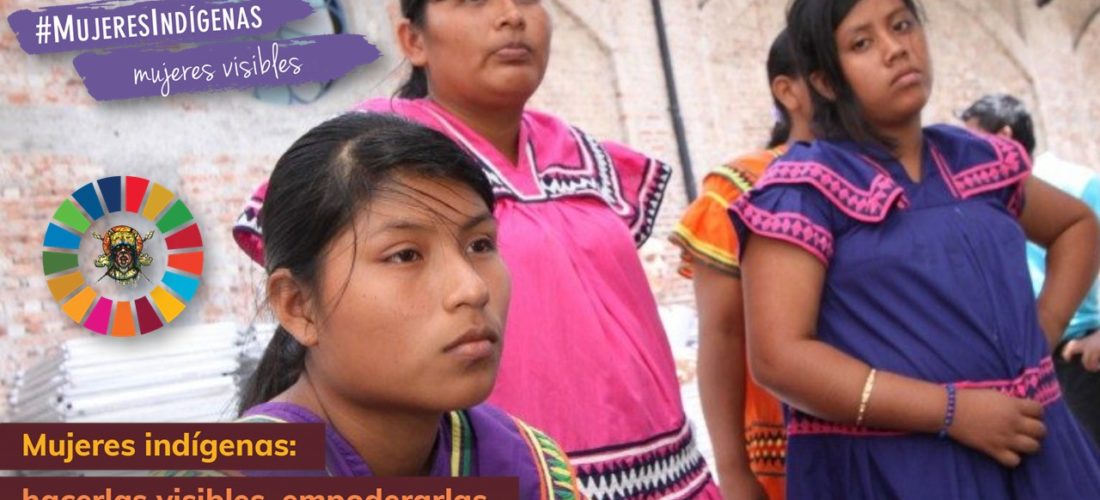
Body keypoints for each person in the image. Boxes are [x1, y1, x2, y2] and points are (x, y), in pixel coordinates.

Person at [233, 1, 717, 498]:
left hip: (644, 473)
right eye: (406, 254)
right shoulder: (362, 156)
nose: (511, 15)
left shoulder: (587, 156)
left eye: (482, 244)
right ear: (413, 39)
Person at [729, 0, 1100, 497]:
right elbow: (780, 358)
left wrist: (1041, 331)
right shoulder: (804, 190)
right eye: (862, 43)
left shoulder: (976, 160)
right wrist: (951, 412)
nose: (896, 49)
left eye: (902, 25)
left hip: (1033, 445)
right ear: (825, 81)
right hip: (896, 469)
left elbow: (1076, 225)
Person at [226, 112, 582, 498]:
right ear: (298, 306)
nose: (472, 288)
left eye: (480, 245)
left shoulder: (523, 464)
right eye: (405, 255)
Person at [670, 28, 812, 500]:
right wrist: (733, 472)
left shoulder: (890, 176)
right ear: (788, 90)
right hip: (785, 454)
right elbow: (722, 332)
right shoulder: (742, 188)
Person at [961, 93, 1100, 446]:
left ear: (1004, 136)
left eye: (974, 140)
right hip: (1036, 362)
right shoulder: (993, 205)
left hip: (1081, 358)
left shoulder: (1073, 184)